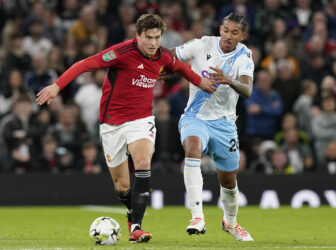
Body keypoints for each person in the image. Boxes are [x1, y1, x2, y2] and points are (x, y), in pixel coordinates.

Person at [36, 14, 216, 243]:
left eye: (157, 37)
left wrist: (202, 83)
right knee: (122, 186)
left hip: (141, 120)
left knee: (142, 162)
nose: (153, 43)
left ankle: (136, 228)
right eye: (148, 37)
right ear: (138, 35)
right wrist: (57, 86)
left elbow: (182, 68)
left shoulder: (163, 56)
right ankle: (132, 214)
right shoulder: (121, 53)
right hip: (111, 124)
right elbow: (84, 64)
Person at [171, 12, 254, 241]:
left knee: (228, 181)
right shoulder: (201, 44)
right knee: (193, 148)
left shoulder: (244, 57)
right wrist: (161, 71)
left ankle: (231, 223)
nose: (228, 36)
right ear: (220, 28)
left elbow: (247, 89)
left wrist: (229, 80)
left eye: (234, 33)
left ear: (242, 35)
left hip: (224, 124)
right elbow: (170, 56)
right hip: (195, 117)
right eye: (226, 30)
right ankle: (197, 217)